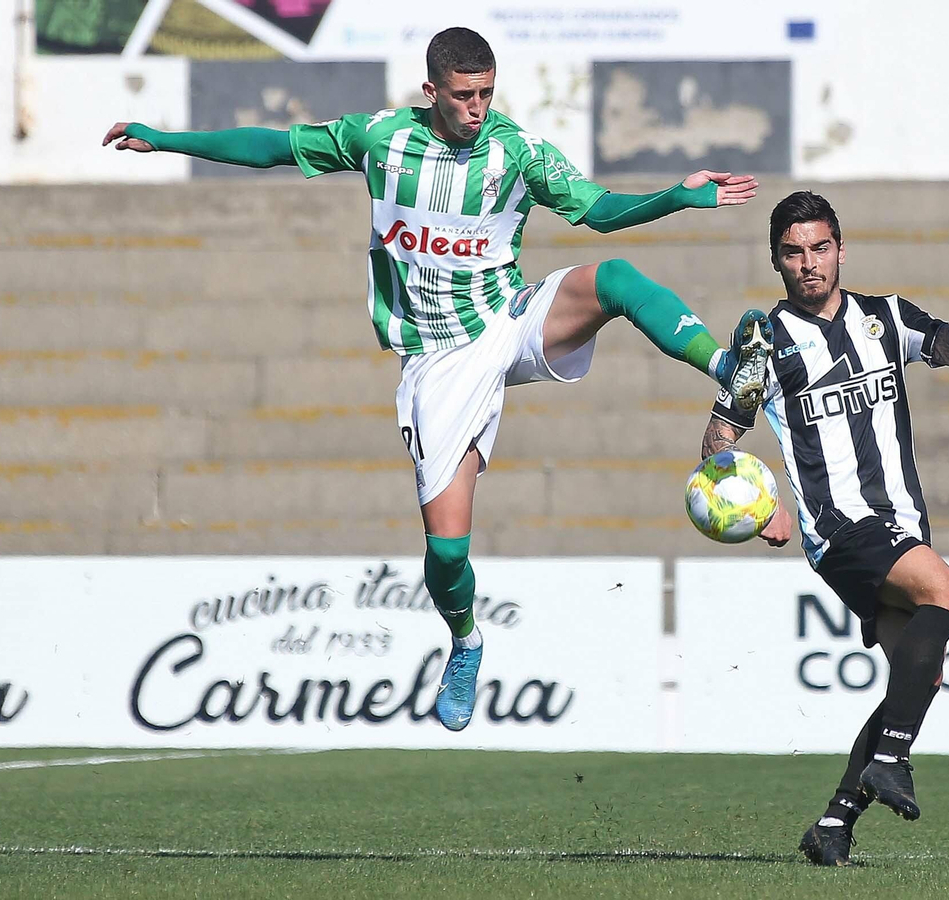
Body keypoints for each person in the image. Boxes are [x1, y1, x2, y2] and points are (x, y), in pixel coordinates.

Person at [104, 26, 773, 732]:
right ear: (432, 91)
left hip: (507, 318)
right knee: (447, 551)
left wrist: (677, 196)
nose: (477, 108)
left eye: (487, 93)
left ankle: (729, 369)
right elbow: (273, 146)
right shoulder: (381, 139)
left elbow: (599, 212)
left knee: (613, 280)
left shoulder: (518, 152)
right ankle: (466, 640)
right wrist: (167, 140)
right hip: (438, 360)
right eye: (463, 95)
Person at [698, 190, 949, 866]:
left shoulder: (886, 318)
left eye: (820, 248)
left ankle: (833, 825)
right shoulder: (765, 344)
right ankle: (890, 760)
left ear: (840, 249)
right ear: (776, 260)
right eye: (793, 252)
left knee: (918, 679)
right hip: (841, 530)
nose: (808, 263)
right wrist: (759, 508)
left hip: (901, 525)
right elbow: (718, 441)